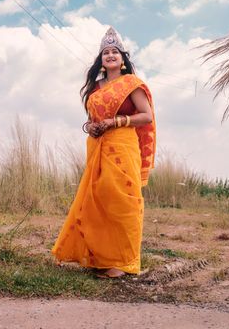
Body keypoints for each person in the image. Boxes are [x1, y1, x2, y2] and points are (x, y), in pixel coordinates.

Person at [52, 27, 156, 278]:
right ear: (101, 60)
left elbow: (146, 116)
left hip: (122, 145)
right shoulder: (95, 87)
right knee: (97, 200)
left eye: (115, 52)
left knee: (121, 200)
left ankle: (121, 263)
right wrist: (92, 127)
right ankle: (99, 257)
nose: (110, 55)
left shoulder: (131, 84)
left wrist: (114, 122)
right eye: (106, 52)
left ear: (123, 59)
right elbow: (92, 117)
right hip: (98, 146)